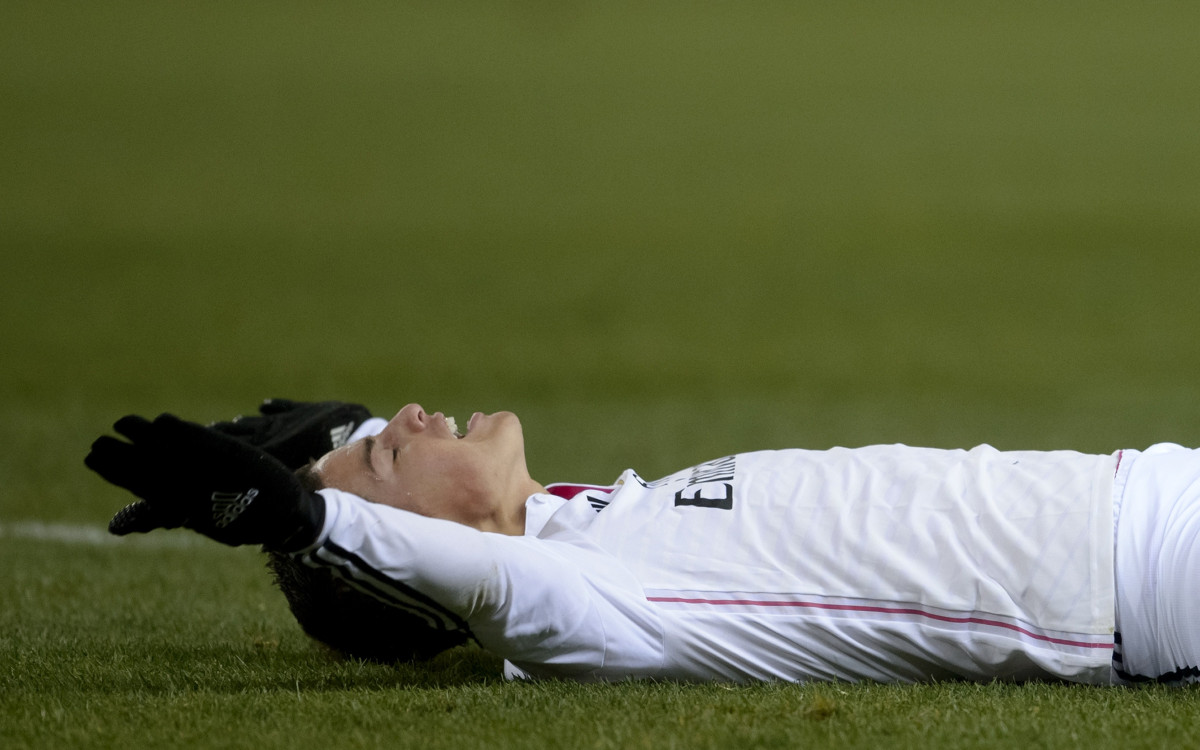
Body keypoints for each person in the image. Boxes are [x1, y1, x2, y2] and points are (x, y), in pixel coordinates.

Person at [84, 399, 1200, 685]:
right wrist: (302, 517)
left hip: (1149, 482)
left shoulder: (585, 516)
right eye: (386, 452)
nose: (410, 417)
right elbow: (456, 575)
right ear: (394, 536)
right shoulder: (582, 602)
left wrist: (323, 440)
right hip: (1153, 583)